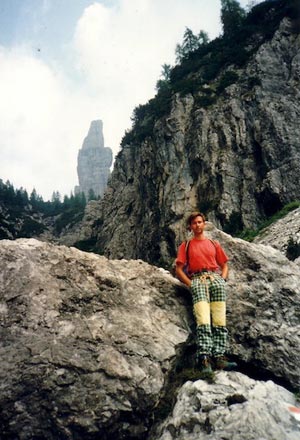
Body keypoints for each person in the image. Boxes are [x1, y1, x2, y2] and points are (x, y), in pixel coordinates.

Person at [176, 211, 236, 375]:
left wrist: (222, 279)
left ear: (204, 223)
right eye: (194, 223)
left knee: (219, 317)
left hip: (215, 280)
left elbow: (224, 264)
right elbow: (179, 269)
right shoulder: (186, 246)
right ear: (190, 226)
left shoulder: (213, 243)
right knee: (203, 319)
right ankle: (204, 358)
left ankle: (219, 357)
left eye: (200, 222)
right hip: (198, 280)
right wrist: (190, 284)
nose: (198, 225)